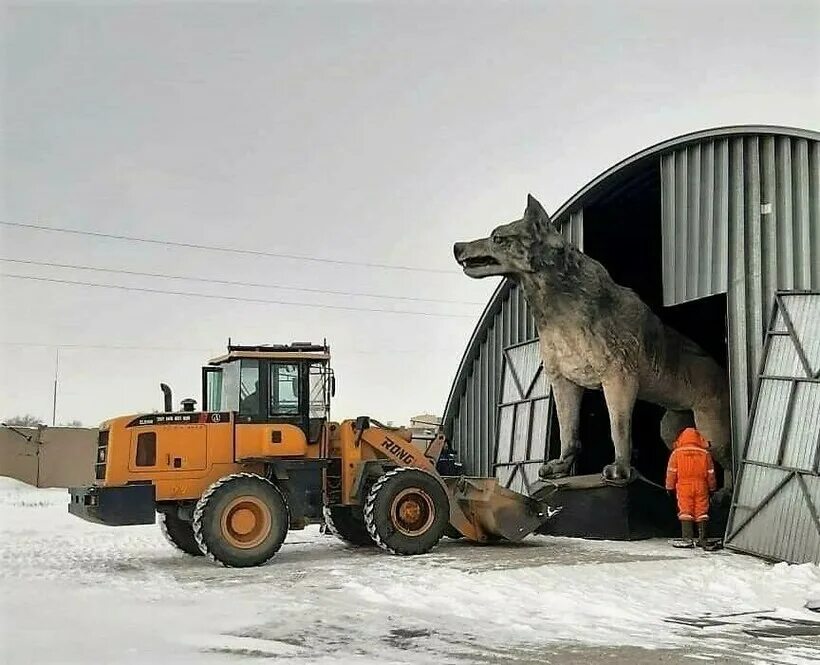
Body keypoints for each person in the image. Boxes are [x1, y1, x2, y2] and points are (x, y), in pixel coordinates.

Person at [665, 427, 717, 548]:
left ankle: (687, 538)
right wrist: (712, 488)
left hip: (684, 486)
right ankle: (702, 538)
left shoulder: (677, 453)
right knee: (702, 511)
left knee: (686, 511)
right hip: (701, 485)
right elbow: (711, 473)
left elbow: (671, 472)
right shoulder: (705, 453)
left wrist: (669, 487)